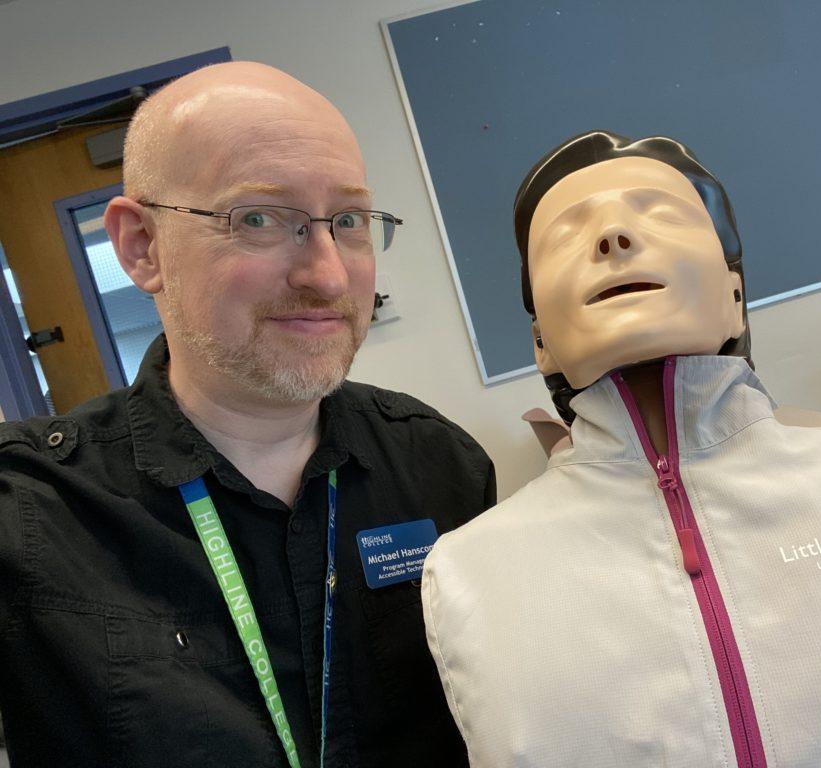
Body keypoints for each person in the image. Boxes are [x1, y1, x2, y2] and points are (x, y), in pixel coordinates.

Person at [421, 130, 821, 767]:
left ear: (736, 297)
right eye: (567, 235)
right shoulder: (467, 576)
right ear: (539, 340)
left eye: (660, 214)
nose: (612, 239)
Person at [0, 61, 494, 768]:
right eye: (260, 218)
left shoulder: (443, 467)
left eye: (348, 221)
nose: (326, 275)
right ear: (142, 247)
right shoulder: (30, 514)